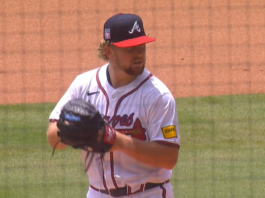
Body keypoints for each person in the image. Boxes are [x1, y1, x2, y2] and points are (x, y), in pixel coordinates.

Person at [47, 13, 180, 198]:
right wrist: (71, 131)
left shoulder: (158, 96)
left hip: (148, 193)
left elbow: (169, 158)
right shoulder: (84, 85)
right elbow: (53, 139)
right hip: (97, 193)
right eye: (129, 48)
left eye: (141, 46)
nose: (138, 53)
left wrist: (117, 141)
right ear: (109, 51)